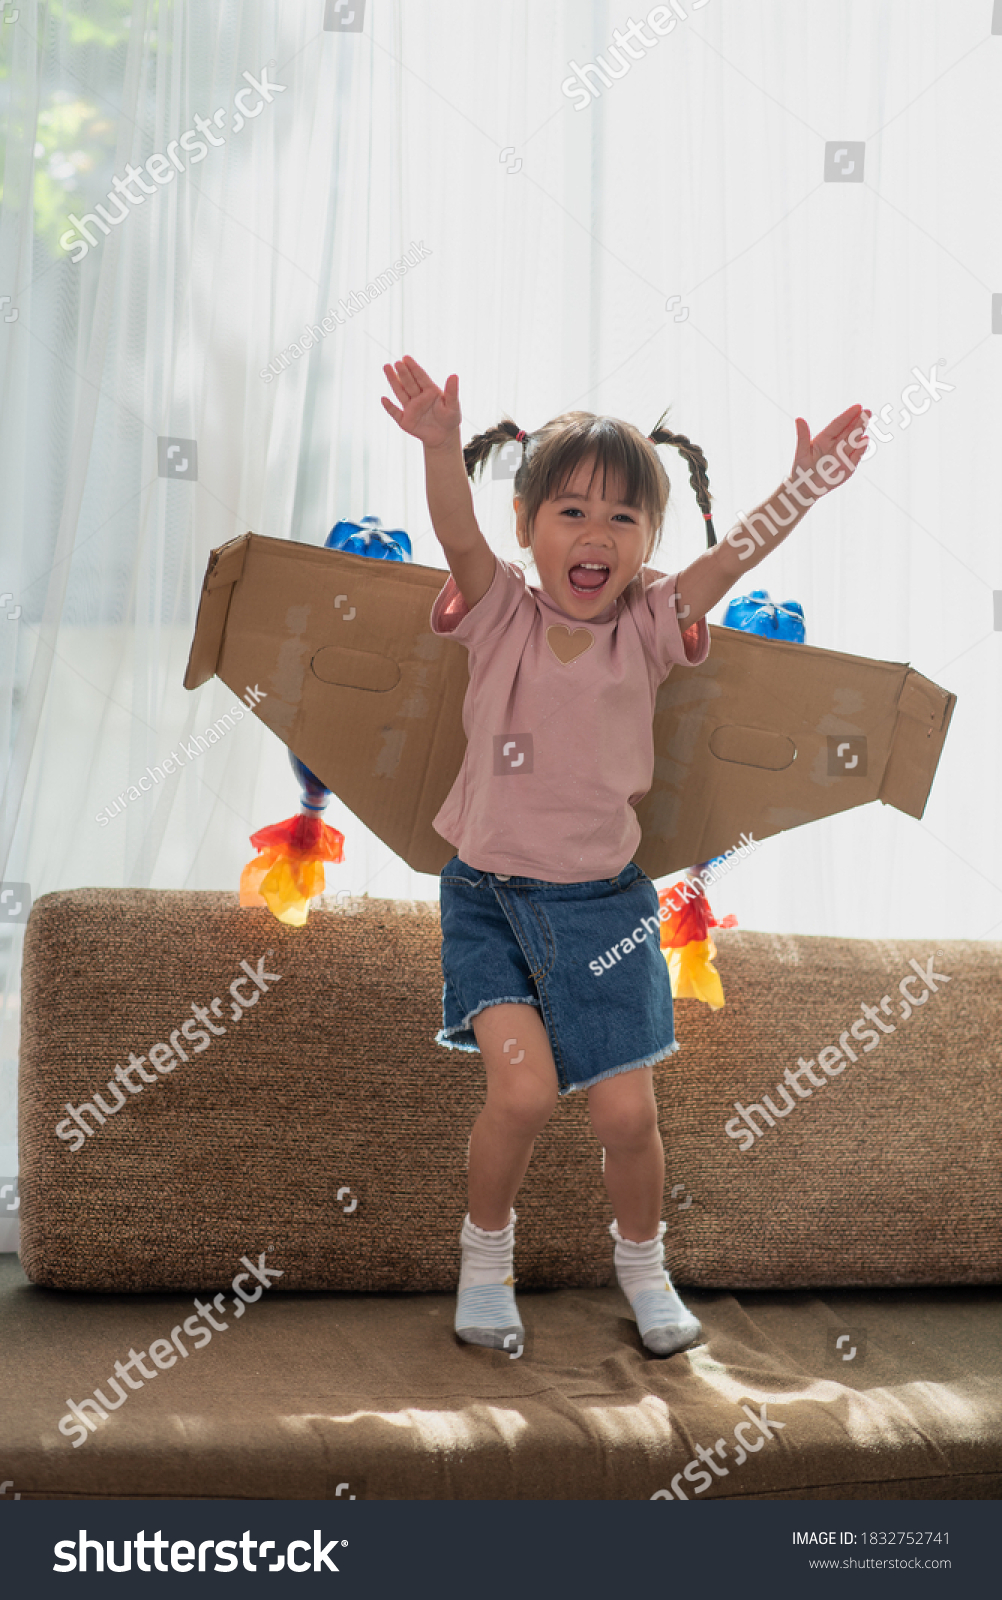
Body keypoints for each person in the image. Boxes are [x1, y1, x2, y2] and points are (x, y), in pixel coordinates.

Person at [381, 354, 870, 1357]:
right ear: (527, 527)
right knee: (519, 1093)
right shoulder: (501, 611)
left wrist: (803, 489)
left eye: (621, 519)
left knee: (625, 1116)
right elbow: (453, 532)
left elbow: (731, 559)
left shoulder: (649, 626)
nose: (594, 536)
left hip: (605, 907)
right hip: (490, 899)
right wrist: (440, 445)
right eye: (569, 513)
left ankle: (645, 1272)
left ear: (649, 541)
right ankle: (485, 1267)